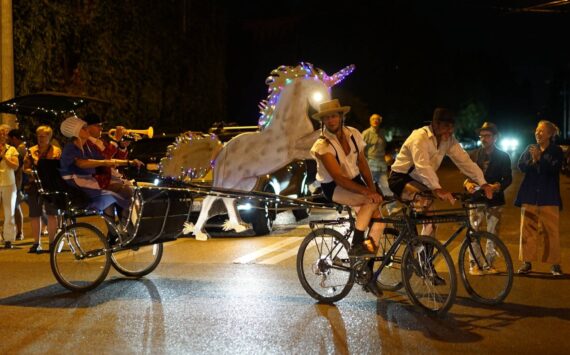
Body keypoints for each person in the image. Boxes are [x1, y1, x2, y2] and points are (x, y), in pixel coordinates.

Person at [310, 99, 384, 297]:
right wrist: (368, 194)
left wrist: (371, 187)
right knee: (368, 201)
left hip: (354, 179)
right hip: (334, 186)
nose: (331, 119)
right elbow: (339, 179)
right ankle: (356, 245)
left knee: (379, 222)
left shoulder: (353, 134)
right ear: (323, 121)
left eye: (334, 115)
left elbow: (362, 162)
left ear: (341, 116)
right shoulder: (322, 145)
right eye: (327, 117)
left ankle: (365, 273)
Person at [388, 108, 494, 238]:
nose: (450, 131)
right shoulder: (420, 137)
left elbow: (464, 161)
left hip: (422, 182)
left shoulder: (448, 140)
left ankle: (424, 256)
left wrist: (482, 183)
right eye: (446, 126)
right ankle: (402, 220)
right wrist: (438, 189)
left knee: (432, 223)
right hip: (401, 178)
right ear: (435, 124)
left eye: (452, 127)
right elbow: (423, 166)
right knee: (424, 200)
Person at [58, 115, 134, 224]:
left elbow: (106, 160)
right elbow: (81, 163)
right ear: (76, 132)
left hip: (89, 184)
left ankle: (122, 227)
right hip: (77, 188)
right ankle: (118, 230)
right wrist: (107, 156)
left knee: (127, 193)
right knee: (115, 196)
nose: (87, 129)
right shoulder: (70, 147)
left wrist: (129, 162)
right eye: (84, 128)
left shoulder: (87, 148)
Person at [515, 120, 563, 276]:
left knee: (551, 232)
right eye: (537, 130)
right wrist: (533, 159)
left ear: (550, 134)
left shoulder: (556, 151)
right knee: (527, 231)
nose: (538, 133)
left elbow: (555, 168)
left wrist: (540, 159)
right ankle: (526, 262)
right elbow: (521, 166)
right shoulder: (530, 149)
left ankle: (554, 264)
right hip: (529, 196)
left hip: (549, 196)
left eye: (542, 131)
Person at [463, 122, 512, 275]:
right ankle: (474, 263)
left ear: (495, 137)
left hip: (495, 200)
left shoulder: (503, 156)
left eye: (487, 136)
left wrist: (496, 187)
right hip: (476, 199)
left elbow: (508, 179)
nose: (484, 139)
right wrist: (467, 184)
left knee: (493, 233)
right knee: (474, 231)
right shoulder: (474, 155)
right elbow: (466, 176)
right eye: (482, 136)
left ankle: (489, 264)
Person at [83, 113, 142, 217]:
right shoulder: (86, 144)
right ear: (87, 127)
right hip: (100, 181)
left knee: (135, 191)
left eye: (101, 125)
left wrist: (122, 147)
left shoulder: (101, 142)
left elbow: (118, 160)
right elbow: (104, 159)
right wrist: (115, 140)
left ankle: (122, 222)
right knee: (129, 191)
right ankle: (123, 222)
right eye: (98, 125)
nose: (101, 128)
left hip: (112, 178)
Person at [22, 125, 62, 253]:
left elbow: (58, 167)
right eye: (39, 136)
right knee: (35, 214)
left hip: (50, 185)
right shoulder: (31, 151)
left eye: (44, 136)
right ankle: (36, 243)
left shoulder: (56, 151)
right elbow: (25, 167)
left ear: (49, 136)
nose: (41, 138)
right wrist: (30, 172)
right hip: (34, 185)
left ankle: (52, 243)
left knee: (52, 214)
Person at [362, 114, 392, 198]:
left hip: (381, 164)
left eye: (377, 119)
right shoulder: (366, 133)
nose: (375, 121)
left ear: (380, 121)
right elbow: (360, 149)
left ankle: (389, 207)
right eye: (373, 119)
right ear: (370, 121)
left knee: (385, 187)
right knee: (369, 187)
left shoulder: (382, 132)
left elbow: (387, 143)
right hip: (370, 164)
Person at [0, 124, 20, 249]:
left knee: (9, 212)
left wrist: (4, 157)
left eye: (4, 133)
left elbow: (15, 166)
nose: (2, 135)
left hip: (9, 183)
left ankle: (8, 239)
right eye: (0, 133)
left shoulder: (11, 149)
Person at [7, 129, 27, 241]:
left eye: (10, 139)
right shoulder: (23, 147)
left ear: (14, 138)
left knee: (14, 206)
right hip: (19, 182)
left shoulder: (19, 149)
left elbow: (17, 166)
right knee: (15, 206)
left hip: (18, 182)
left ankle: (18, 232)